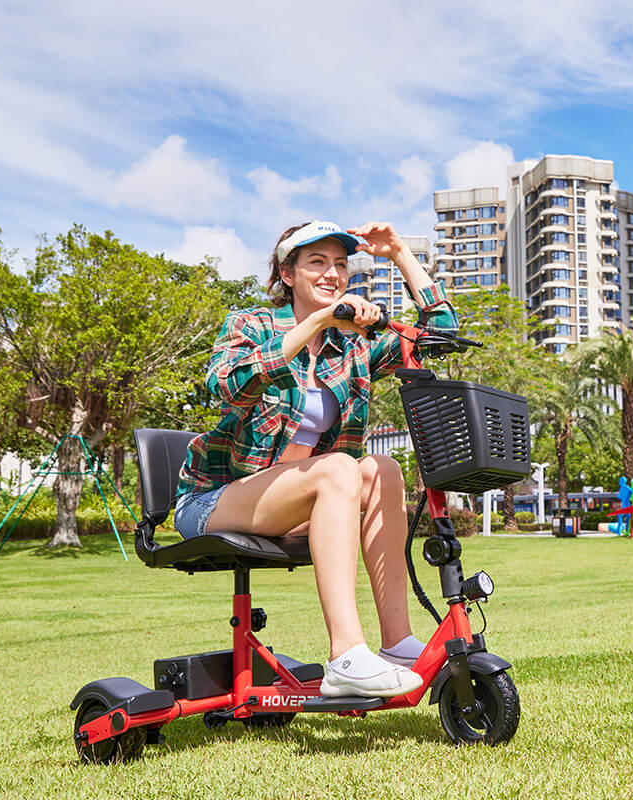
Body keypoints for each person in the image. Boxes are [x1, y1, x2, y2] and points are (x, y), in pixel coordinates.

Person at [175, 220, 458, 698]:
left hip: (294, 503)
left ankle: (396, 641)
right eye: (317, 262)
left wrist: (401, 254)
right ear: (288, 273)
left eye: (342, 264)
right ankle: (346, 654)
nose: (333, 273)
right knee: (340, 468)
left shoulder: (352, 345)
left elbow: (441, 335)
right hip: (214, 501)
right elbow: (228, 384)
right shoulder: (252, 324)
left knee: (382, 469)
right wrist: (320, 320)